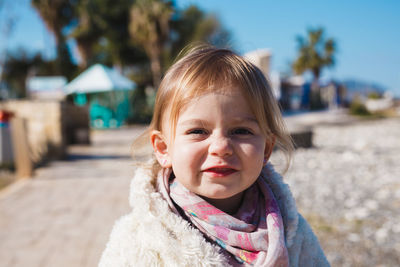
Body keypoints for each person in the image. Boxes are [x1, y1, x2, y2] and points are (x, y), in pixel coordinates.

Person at [99, 46, 330, 267]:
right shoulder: (138, 239)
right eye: (198, 131)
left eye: (241, 131)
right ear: (163, 149)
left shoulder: (291, 232)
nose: (221, 147)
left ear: (266, 149)